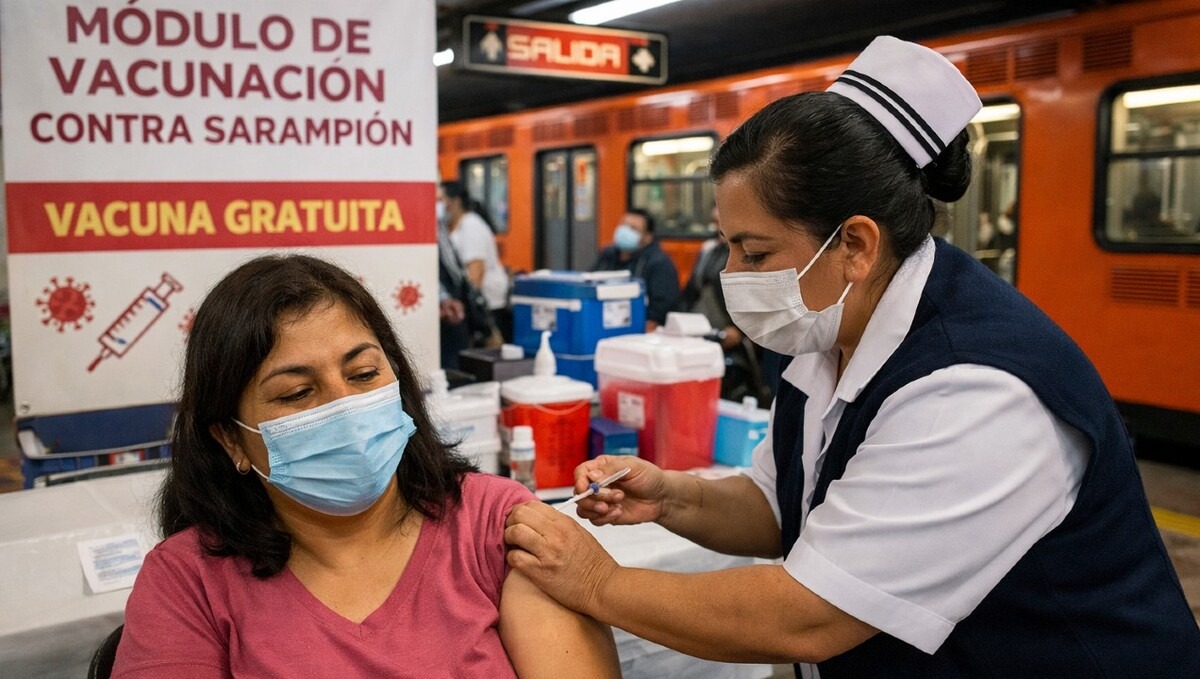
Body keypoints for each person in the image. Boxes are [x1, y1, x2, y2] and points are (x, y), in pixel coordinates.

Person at [504, 35, 1200, 677]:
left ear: (856, 246)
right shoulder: (829, 330)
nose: (734, 275)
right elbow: (781, 503)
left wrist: (598, 582)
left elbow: (809, 615)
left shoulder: (975, 387)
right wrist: (671, 496)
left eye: (756, 251)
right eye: (730, 247)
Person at [113, 255, 619, 677]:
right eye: (297, 393)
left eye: (363, 373)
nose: (344, 406)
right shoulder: (187, 584)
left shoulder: (499, 526)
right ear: (231, 439)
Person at [676, 206, 767, 402]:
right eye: (716, 223)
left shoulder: (752, 253)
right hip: (704, 330)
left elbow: (758, 296)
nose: (718, 227)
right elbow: (692, 290)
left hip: (733, 335)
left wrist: (740, 330)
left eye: (722, 222)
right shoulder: (709, 251)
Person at [442, 181, 510, 344]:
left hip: (486, 305)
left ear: (455, 202)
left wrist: (468, 309)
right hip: (475, 306)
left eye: (441, 199)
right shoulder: (453, 227)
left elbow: (476, 273)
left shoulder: (471, 226)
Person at [592, 208, 680, 331]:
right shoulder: (607, 255)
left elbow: (662, 308)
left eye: (633, 229)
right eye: (623, 225)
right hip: (602, 322)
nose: (625, 231)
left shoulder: (659, 263)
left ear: (647, 237)